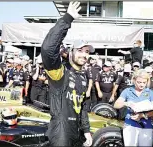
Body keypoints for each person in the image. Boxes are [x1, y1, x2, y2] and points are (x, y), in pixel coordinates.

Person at [41, 2, 93, 146]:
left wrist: (86, 130)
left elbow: (82, 107)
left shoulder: (83, 76)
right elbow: (48, 49)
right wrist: (67, 18)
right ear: (71, 53)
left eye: (87, 52)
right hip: (60, 134)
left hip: (76, 133)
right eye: (80, 50)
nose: (84, 55)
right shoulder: (60, 73)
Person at [114, 69, 153, 146]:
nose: (141, 85)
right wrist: (126, 103)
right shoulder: (127, 91)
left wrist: (143, 115)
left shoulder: (150, 92)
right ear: (134, 80)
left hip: (146, 126)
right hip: (130, 126)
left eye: (144, 82)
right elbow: (116, 105)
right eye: (139, 82)